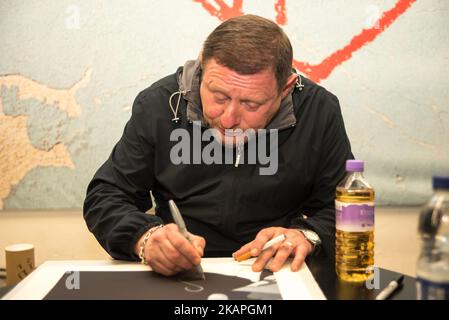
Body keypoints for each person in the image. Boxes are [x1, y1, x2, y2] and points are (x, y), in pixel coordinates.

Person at [83, 14, 353, 277]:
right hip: (179, 274)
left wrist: (307, 234)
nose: (229, 119)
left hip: (279, 272)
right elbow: (106, 195)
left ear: (285, 89)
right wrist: (145, 237)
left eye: (251, 104)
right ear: (202, 66)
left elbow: (346, 206)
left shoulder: (319, 110)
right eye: (218, 96)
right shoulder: (160, 104)